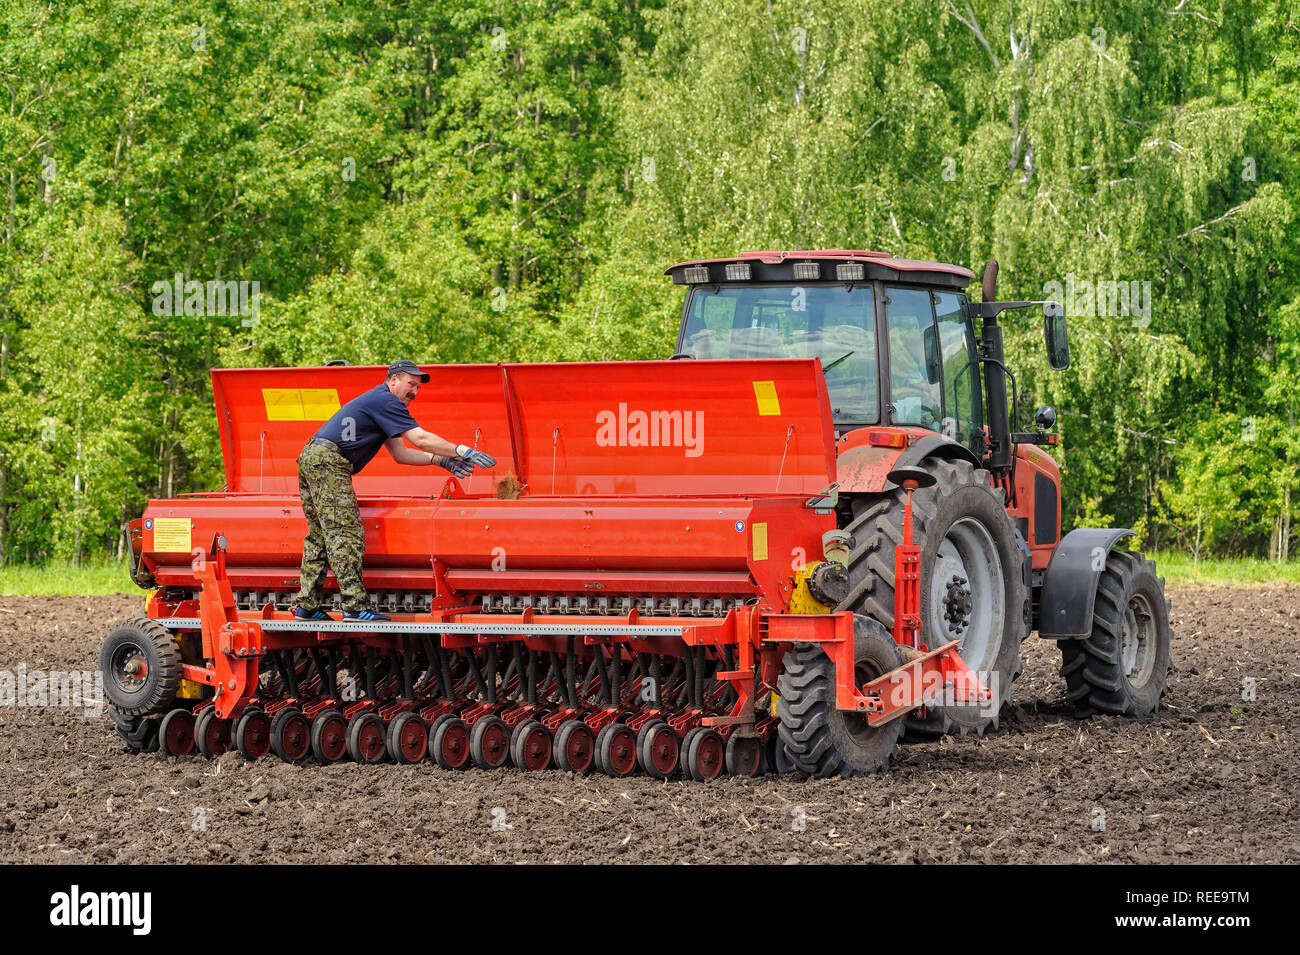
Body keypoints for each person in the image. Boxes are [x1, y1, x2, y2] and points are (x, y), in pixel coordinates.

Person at [293, 360, 496, 622]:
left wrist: (441, 461)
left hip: (313, 457)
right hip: (329, 462)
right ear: (393, 380)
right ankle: (354, 607)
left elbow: (400, 454)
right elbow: (420, 438)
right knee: (345, 534)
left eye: (418, 386)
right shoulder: (387, 401)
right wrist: (462, 450)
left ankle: (306, 607)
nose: (415, 391)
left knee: (320, 536)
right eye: (411, 383)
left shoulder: (379, 404)